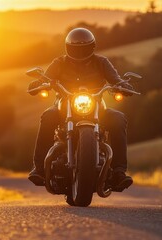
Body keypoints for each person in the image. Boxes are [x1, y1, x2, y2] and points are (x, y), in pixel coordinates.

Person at [28, 27, 134, 192]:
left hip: (97, 107)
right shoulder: (60, 62)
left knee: (118, 118)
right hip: (64, 107)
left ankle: (119, 172)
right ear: (68, 48)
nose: (80, 51)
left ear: (92, 47)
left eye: (84, 48)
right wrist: (39, 84)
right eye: (76, 48)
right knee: (48, 116)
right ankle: (39, 168)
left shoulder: (101, 62)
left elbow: (116, 79)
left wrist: (123, 85)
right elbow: (47, 78)